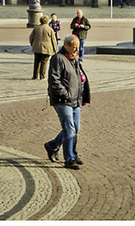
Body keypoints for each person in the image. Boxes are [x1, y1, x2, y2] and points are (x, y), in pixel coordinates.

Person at [44, 35, 89, 170]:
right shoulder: (58, 59)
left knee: (75, 128)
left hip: (76, 100)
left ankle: (53, 146)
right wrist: (67, 94)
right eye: (74, 48)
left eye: (77, 48)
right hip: (62, 100)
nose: (77, 50)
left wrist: (82, 96)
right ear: (66, 46)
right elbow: (54, 80)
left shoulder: (74, 59)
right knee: (70, 129)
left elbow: (78, 78)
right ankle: (69, 158)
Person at [30, 15, 56, 80]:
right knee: (44, 62)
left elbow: (31, 37)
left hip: (37, 47)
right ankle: (42, 76)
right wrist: (55, 49)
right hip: (47, 48)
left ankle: (35, 76)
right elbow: (53, 40)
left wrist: (32, 44)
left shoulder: (36, 28)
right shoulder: (50, 29)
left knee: (36, 62)